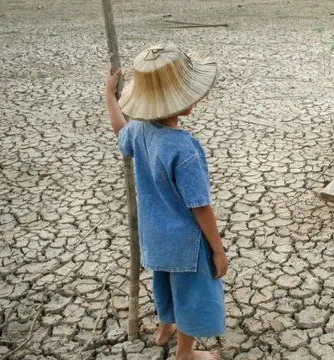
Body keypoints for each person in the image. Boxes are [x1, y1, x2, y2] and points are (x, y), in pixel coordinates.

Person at [104, 43, 227, 360]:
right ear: (184, 101)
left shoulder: (141, 131)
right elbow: (200, 206)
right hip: (186, 243)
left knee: (164, 286)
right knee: (189, 296)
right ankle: (185, 353)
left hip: (154, 237)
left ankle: (164, 329)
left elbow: (121, 132)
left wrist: (109, 96)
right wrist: (217, 249)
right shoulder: (184, 149)